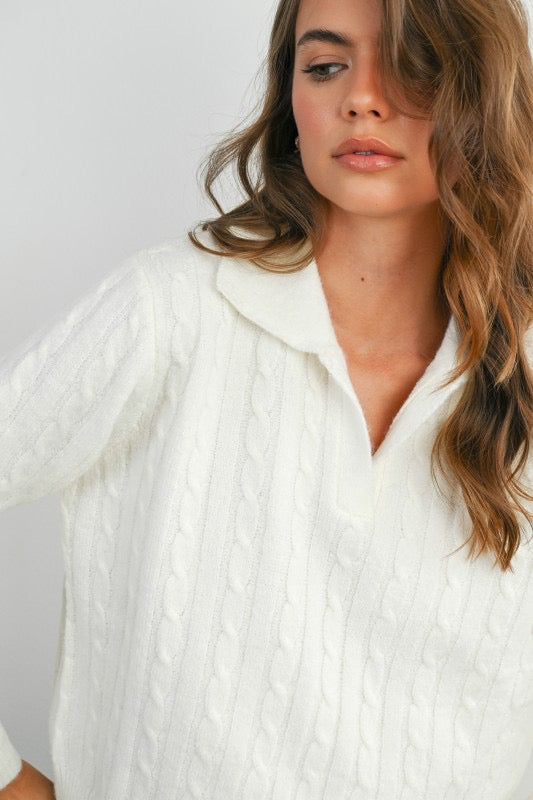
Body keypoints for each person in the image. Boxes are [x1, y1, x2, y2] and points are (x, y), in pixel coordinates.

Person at [1, 0, 532, 796]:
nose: (361, 96)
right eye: (324, 66)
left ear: (482, 91)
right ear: (291, 107)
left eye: (411, 62)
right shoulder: (172, 310)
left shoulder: (517, 359)